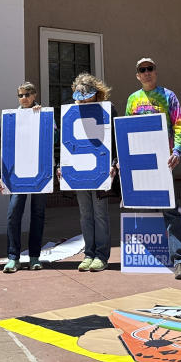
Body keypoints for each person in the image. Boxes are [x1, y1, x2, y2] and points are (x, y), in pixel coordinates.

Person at [125, 58, 181, 280]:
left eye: (150, 68)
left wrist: (177, 151)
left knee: (170, 210)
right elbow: (126, 129)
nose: (146, 72)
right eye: (142, 70)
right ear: (137, 75)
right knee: (139, 207)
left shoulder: (168, 96)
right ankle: (142, 258)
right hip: (140, 164)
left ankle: (179, 261)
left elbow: (180, 123)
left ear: (156, 71)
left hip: (164, 162)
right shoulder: (132, 100)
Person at [60, 73, 118, 272]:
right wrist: (63, 166)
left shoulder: (108, 110)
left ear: (96, 93)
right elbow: (66, 142)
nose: (84, 99)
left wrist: (115, 163)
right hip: (79, 171)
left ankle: (101, 255)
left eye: (88, 95)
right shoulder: (71, 112)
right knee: (85, 214)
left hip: (100, 170)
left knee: (99, 213)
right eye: (81, 96)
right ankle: (89, 254)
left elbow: (116, 141)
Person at [3, 82, 49, 273]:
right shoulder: (12, 117)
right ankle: (13, 257)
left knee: (38, 214)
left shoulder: (44, 114)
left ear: (35, 94)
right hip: (18, 173)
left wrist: (42, 117)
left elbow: (53, 138)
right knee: (14, 214)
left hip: (39, 171)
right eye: (20, 95)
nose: (24, 98)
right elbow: (5, 146)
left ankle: (34, 257)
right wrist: (1, 177)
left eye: (28, 94)